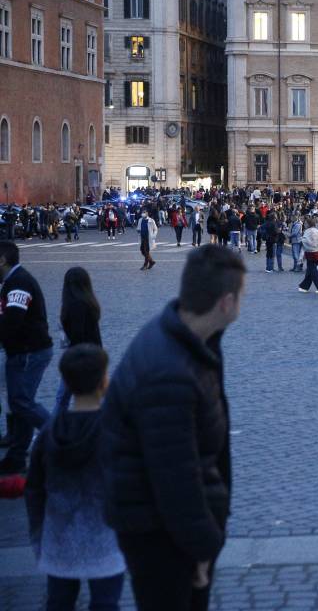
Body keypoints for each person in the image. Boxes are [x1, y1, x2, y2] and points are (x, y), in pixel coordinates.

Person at [100, 245, 245, 610]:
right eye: (242, 295)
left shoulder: (189, 338)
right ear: (226, 302)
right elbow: (175, 478)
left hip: (167, 528)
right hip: (162, 538)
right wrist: (199, 550)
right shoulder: (170, 372)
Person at [26, 345, 126, 611]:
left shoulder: (48, 434)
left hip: (59, 539)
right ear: (104, 381)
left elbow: (34, 489)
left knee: (59, 603)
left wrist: (39, 536)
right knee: (106, 604)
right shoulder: (116, 431)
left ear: (66, 382)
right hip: (106, 540)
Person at [0, 241, 53, 475]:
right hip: (24, 350)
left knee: (21, 401)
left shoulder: (18, 282)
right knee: (19, 403)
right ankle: (17, 456)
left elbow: (13, 320)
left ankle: (61, 436)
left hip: (29, 350)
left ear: (2, 259)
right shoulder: (12, 281)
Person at [56, 267, 102, 411]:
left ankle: (54, 430)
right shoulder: (88, 302)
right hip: (91, 355)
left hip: (80, 358)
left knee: (63, 398)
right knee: (88, 398)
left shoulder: (75, 305)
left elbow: (77, 335)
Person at [298, 217, 318, 294]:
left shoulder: (307, 231)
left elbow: (306, 241)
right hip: (317, 251)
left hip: (310, 252)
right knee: (310, 270)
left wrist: (301, 239)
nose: (304, 224)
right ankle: (304, 287)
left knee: (313, 270)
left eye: (305, 223)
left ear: (308, 224)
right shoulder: (317, 231)